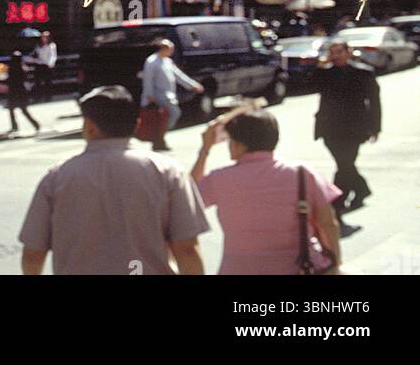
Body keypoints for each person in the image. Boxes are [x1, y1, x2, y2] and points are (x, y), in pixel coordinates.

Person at [18, 85, 208, 276]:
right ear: (136, 124)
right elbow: (187, 250)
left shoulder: (57, 177)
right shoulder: (169, 172)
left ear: (90, 127)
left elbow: (33, 255)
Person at [191, 108, 341, 275]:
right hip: (299, 269)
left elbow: (188, 198)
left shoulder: (219, 179)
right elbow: (328, 223)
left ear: (240, 144)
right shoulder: (302, 173)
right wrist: (335, 265)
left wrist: (205, 149)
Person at [313, 39, 380, 217]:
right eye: (332, 53)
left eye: (339, 52)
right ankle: (361, 189)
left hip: (354, 128)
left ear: (348, 52)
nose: (335, 56)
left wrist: (375, 127)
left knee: (344, 164)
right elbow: (312, 85)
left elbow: (374, 102)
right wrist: (320, 66)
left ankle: (337, 203)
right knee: (344, 163)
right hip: (330, 128)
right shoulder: (325, 74)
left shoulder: (363, 73)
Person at [140, 39, 204, 151]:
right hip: (157, 95)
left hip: (168, 94)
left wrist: (193, 85)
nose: (172, 51)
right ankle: (159, 137)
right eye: (170, 49)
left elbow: (178, 76)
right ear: (163, 48)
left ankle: (160, 137)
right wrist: (149, 96)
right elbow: (148, 80)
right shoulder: (151, 61)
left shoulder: (167, 61)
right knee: (173, 113)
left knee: (168, 117)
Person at [7, 49, 40, 135]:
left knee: (13, 109)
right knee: (23, 110)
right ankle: (35, 124)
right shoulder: (23, 68)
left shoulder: (12, 68)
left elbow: (8, 79)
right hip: (21, 92)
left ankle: (16, 127)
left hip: (14, 91)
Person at [31, 30, 58, 102]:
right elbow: (34, 54)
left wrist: (50, 64)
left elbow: (53, 56)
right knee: (38, 82)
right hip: (39, 65)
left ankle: (48, 97)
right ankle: (37, 98)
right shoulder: (38, 46)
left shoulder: (51, 45)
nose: (44, 38)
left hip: (47, 66)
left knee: (47, 83)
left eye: (46, 37)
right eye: (43, 37)